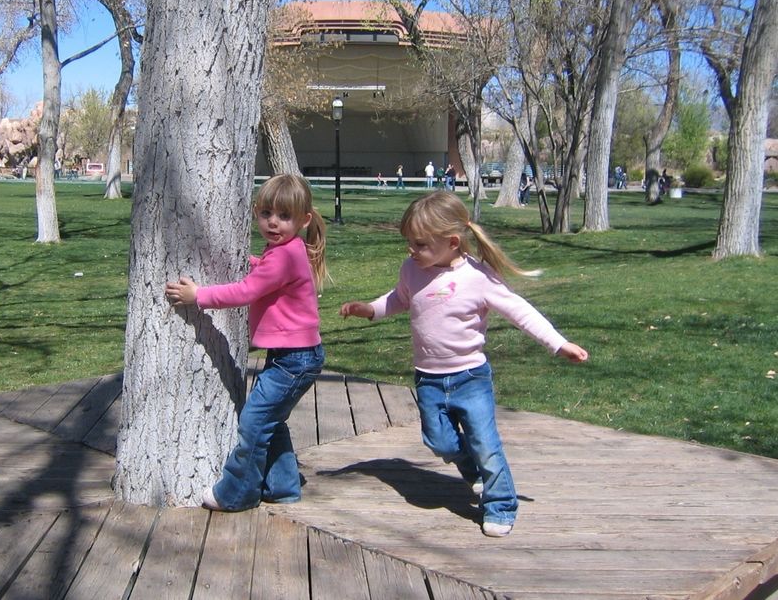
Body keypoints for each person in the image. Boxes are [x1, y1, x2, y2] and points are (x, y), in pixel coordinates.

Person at [339, 191, 588, 538]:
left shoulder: (478, 277)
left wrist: (558, 343)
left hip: (470, 378)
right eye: (409, 243)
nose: (412, 250)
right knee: (439, 442)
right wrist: (369, 309)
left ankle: (501, 504)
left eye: (420, 244)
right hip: (428, 379)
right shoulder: (412, 270)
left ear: (452, 242)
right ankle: (476, 472)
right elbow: (399, 299)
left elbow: (520, 311)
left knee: (486, 442)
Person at [166, 174, 328, 512]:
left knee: (253, 422)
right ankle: (283, 486)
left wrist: (199, 296)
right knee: (270, 419)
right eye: (267, 213)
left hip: (294, 361)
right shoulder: (286, 250)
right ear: (256, 212)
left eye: (285, 217)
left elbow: (247, 291)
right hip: (294, 358)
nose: (273, 223)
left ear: (304, 220)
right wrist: (251, 261)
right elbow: (266, 273)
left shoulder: (283, 256)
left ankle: (237, 493)